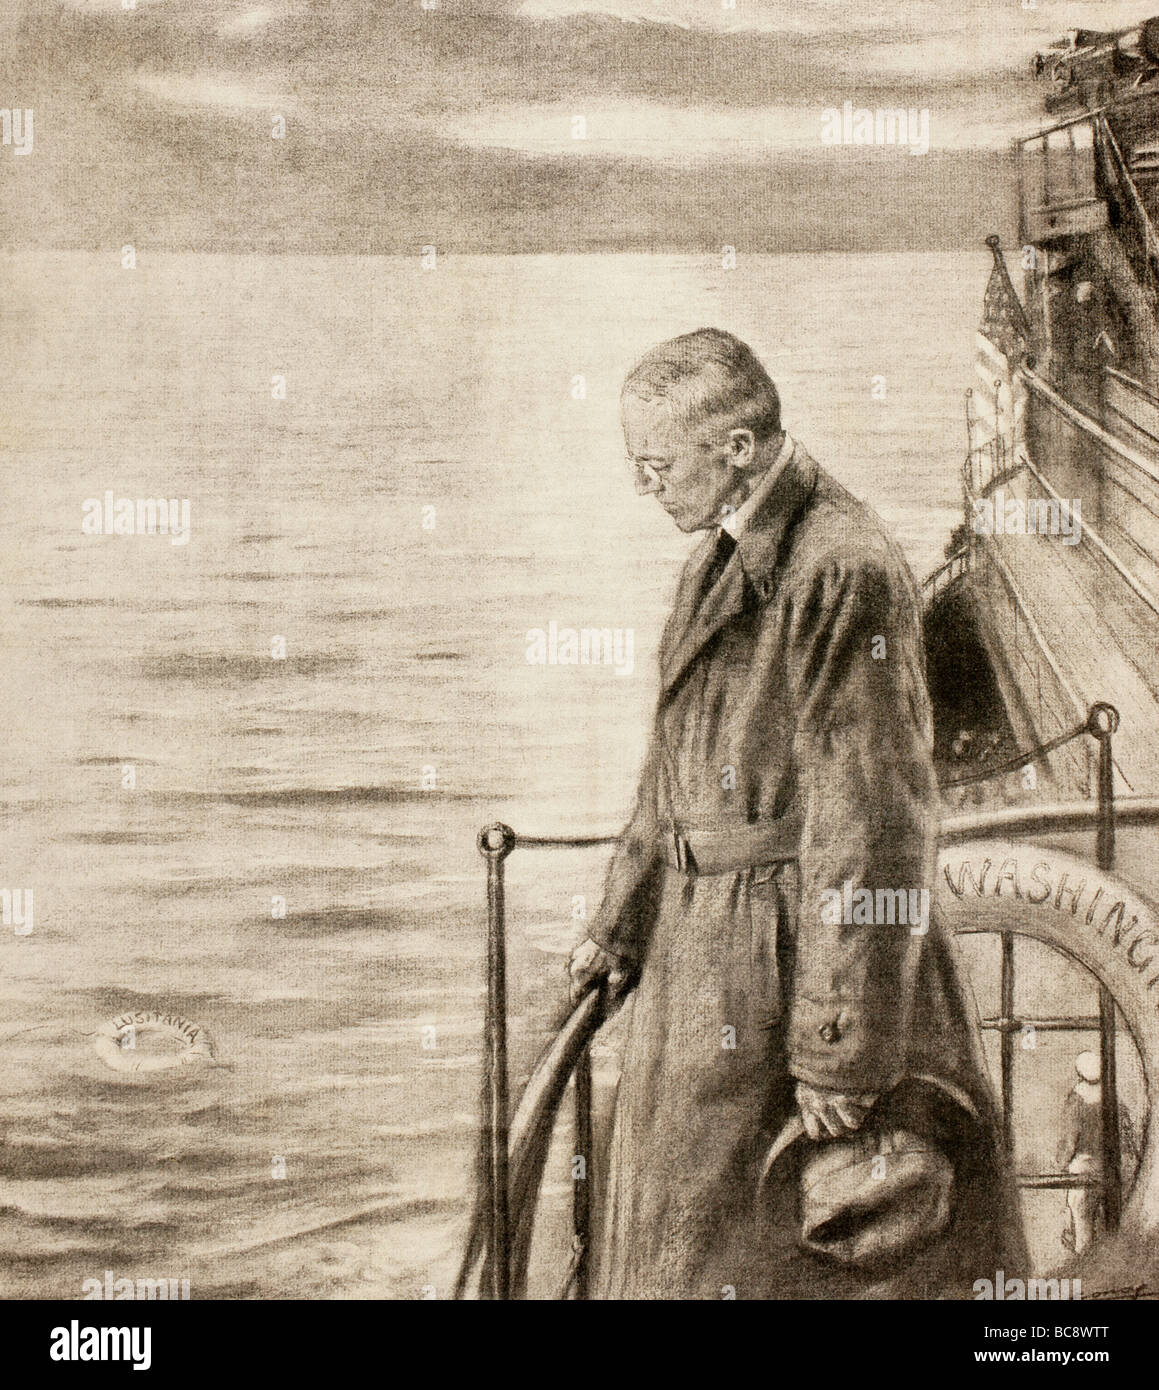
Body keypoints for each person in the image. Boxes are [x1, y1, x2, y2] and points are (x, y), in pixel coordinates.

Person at [569, 328, 1027, 1298]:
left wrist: (838, 1051)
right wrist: (620, 924)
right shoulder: (716, 560)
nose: (643, 486)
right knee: (680, 1254)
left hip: (789, 966)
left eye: (656, 464)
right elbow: (673, 773)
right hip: (708, 962)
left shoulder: (838, 564)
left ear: (737, 449)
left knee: (763, 1259)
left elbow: (875, 825)